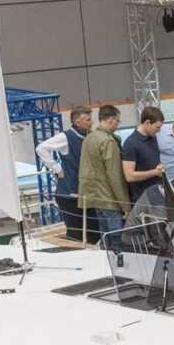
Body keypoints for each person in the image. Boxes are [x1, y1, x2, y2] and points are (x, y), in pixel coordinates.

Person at [78, 103, 130, 241]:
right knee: (116, 239)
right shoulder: (108, 141)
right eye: (118, 121)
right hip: (109, 198)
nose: (117, 125)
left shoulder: (88, 138)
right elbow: (115, 176)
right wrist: (125, 205)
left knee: (104, 237)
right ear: (111, 120)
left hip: (95, 197)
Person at [40, 106, 90, 239]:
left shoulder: (88, 136)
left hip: (84, 192)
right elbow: (41, 148)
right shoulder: (66, 137)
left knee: (89, 230)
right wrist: (57, 169)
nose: (91, 122)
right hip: (70, 193)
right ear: (77, 122)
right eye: (87, 120)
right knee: (76, 232)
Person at [122, 105, 169, 213]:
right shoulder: (131, 143)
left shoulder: (152, 137)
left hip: (158, 194)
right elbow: (129, 176)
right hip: (143, 199)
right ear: (147, 123)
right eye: (157, 127)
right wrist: (155, 172)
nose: (159, 131)